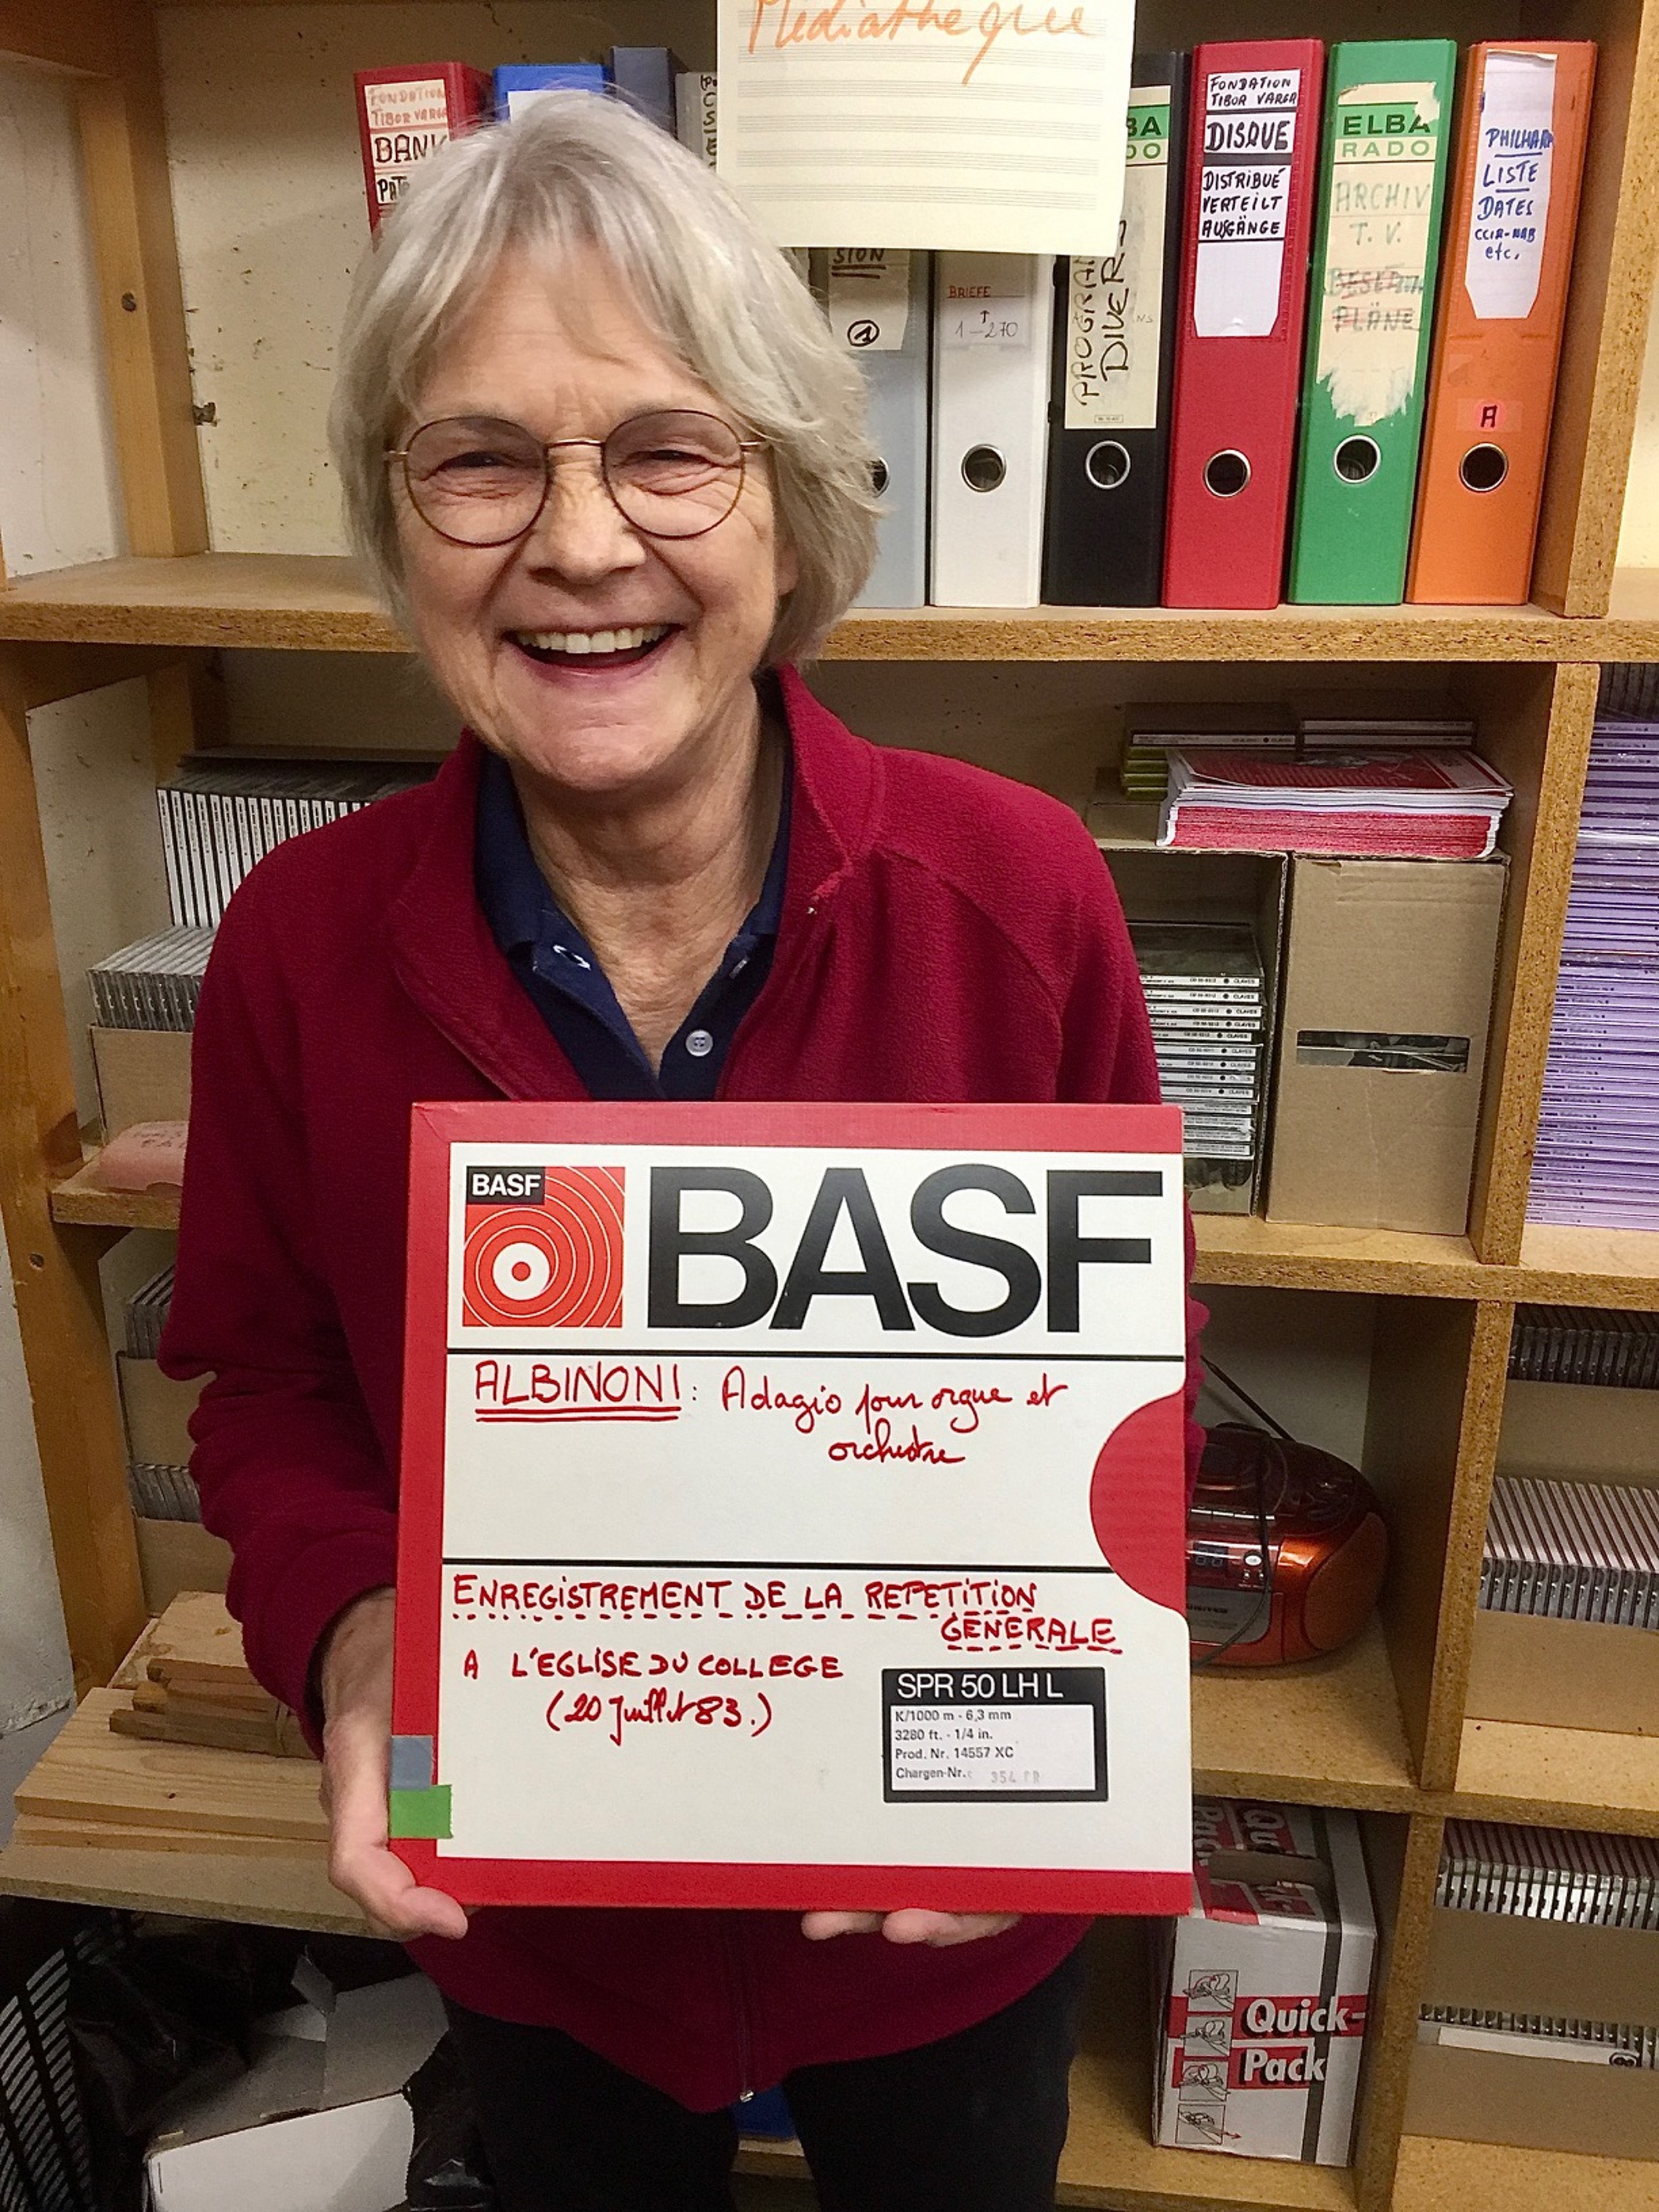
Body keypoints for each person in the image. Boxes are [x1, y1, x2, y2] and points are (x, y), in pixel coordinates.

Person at [162, 90, 1206, 2212]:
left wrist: (1045, 1746)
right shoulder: (294, 941)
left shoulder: (1022, 897)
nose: (576, 543)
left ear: (791, 513)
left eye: (668, 451)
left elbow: (1126, 1387)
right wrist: (355, 1630)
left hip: (942, 1920)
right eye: (479, 461)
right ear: (397, 528)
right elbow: (264, 1386)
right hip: (531, 1916)